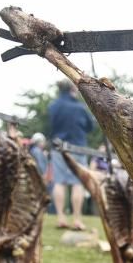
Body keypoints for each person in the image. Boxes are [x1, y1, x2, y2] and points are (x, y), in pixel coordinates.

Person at [47, 80, 95, 229]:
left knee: (59, 182)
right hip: (77, 147)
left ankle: (61, 217)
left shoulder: (53, 106)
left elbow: (50, 125)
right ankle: (76, 219)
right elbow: (90, 126)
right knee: (77, 183)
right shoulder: (80, 108)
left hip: (58, 146)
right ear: (72, 90)